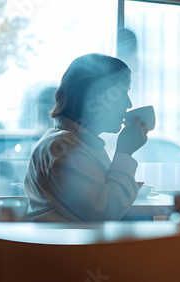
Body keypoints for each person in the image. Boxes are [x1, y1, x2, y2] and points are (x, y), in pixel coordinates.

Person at [24, 53, 149, 222]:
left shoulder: (78, 143)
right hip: (67, 248)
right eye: (122, 93)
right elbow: (105, 212)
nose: (129, 104)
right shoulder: (62, 149)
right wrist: (125, 152)